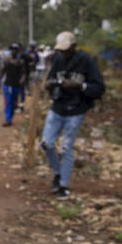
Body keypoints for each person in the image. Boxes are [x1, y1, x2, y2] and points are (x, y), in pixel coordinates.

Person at [41, 31, 106, 200]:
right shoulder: (58, 59)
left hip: (76, 110)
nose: (63, 53)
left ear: (74, 47)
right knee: (46, 144)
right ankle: (57, 173)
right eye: (61, 50)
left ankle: (64, 185)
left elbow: (99, 87)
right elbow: (50, 80)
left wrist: (80, 86)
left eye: (66, 50)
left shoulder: (86, 61)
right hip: (58, 107)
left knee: (66, 147)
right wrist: (50, 84)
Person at [0, 43, 27, 126]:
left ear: (18, 51)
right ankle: (8, 120)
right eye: (12, 49)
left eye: (15, 49)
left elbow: (23, 73)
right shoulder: (7, 61)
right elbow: (3, 72)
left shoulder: (21, 62)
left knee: (14, 103)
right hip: (8, 85)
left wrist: (22, 80)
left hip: (16, 85)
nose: (14, 51)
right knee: (8, 102)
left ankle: (10, 117)